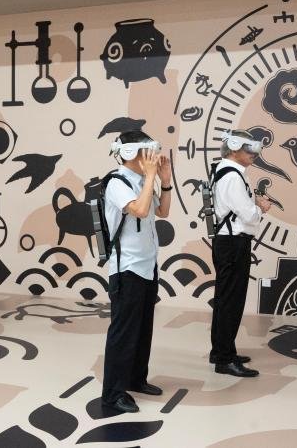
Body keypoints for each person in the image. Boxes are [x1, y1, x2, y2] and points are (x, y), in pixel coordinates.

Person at [101, 129, 172, 413]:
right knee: (123, 332)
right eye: (147, 152)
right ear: (131, 153)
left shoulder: (143, 181)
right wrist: (152, 176)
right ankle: (113, 393)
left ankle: (135, 379)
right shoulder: (116, 182)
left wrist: (165, 182)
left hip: (147, 264)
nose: (152, 157)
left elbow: (162, 212)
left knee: (143, 328)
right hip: (127, 267)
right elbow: (140, 210)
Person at [209, 129, 271, 377]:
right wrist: (261, 208)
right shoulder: (233, 177)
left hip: (228, 242)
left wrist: (252, 206)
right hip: (233, 244)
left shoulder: (224, 171)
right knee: (231, 302)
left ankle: (222, 351)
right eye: (249, 149)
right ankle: (224, 359)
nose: (254, 154)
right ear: (234, 148)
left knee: (225, 300)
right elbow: (248, 215)